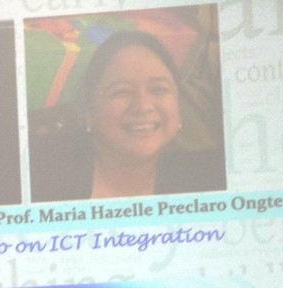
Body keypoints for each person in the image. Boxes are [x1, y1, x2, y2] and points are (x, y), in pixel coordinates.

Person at [29, 29, 225, 202]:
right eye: (121, 91)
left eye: (158, 89)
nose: (143, 106)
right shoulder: (40, 178)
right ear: (89, 112)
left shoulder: (210, 180)